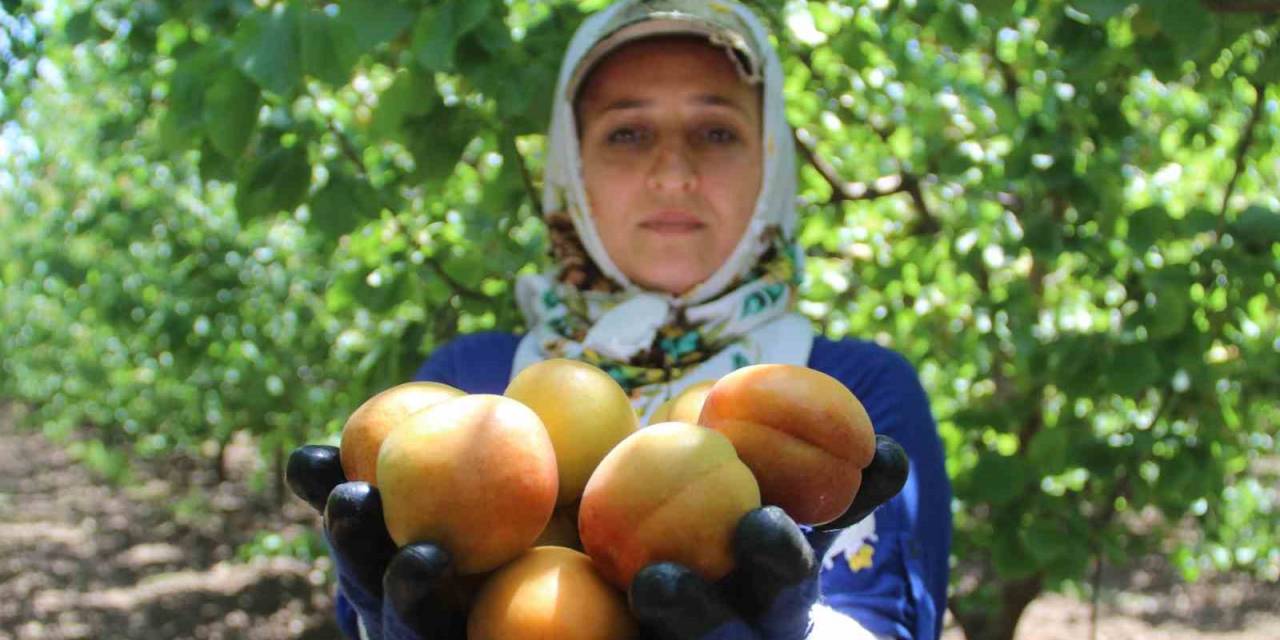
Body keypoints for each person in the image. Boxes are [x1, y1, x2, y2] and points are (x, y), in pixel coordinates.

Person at [287, 1, 951, 638]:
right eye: (626, 132)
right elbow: (386, 589)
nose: (672, 173)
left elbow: (890, 621)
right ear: (572, 166)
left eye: (717, 131)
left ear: (771, 159)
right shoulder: (469, 376)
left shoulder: (861, 387)